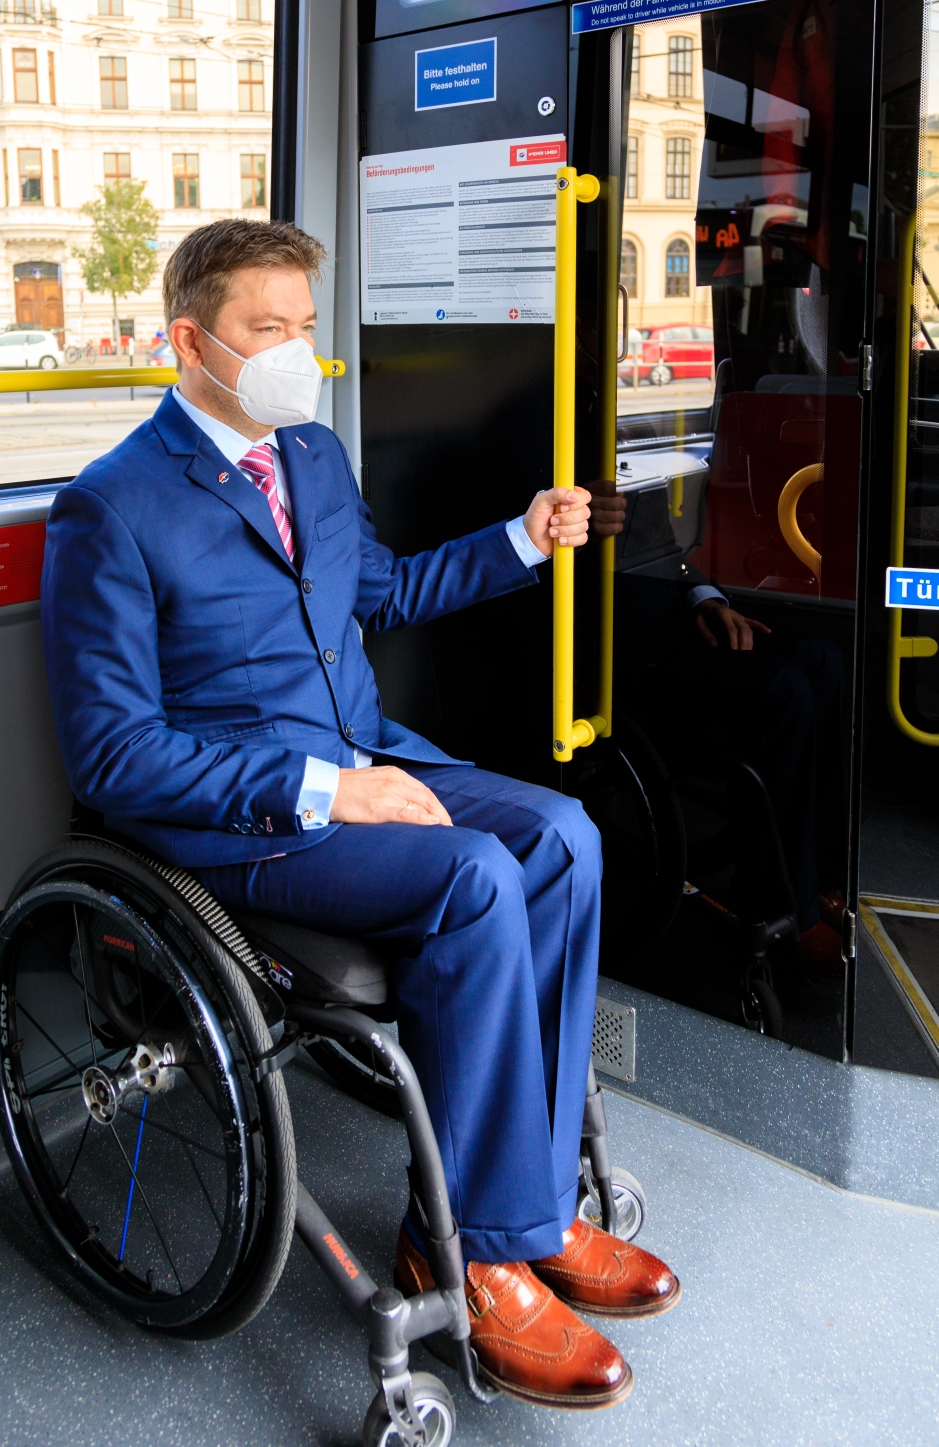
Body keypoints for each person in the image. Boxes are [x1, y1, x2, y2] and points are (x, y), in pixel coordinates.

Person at [42, 220, 680, 1413]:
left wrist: (519, 541)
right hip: (242, 822)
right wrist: (331, 791)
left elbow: (375, 596)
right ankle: (469, 1253)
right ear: (190, 340)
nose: (294, 351)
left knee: (565, 836)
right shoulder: (110, 510)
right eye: (264, 329)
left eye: (302, 327)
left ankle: (527, 1217)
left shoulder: (314, 457)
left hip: (363, 757)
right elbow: (115, 752)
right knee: (475, 874)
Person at [585, 477, 847, 975]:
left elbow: (662, 550)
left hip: (675, 626)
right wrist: (569, 526)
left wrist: (706, 600)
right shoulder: (547, 431)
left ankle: (819, 879)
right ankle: (780, 907)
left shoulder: (628, 431)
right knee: (783, 688)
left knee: (822, 659)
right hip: (618, 658)